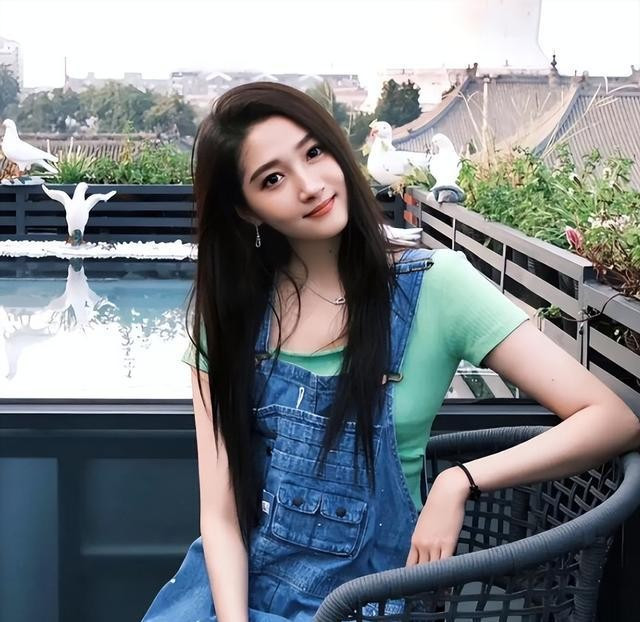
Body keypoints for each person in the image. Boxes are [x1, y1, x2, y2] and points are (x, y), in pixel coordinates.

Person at [141, 82, 640, 622]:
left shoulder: (436, 286)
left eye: (314, 152)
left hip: (365, 603)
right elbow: (221, 517)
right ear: (247, 211)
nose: (309, 185)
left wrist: (460, 480)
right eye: (273, 179)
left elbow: (611, 419)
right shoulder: (231, 317)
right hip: (232, 596)